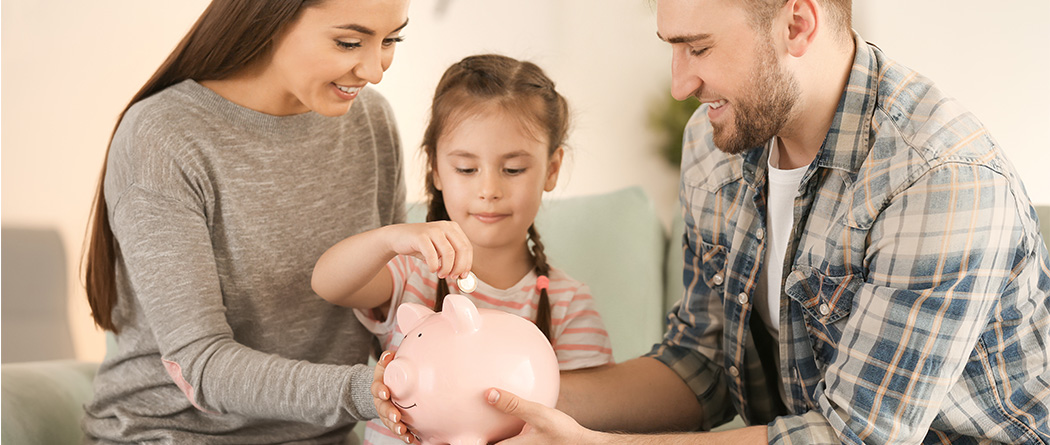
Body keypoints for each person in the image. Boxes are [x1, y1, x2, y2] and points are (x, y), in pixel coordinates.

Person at [372, 0, 1050, 443]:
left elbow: (855, 437)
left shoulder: (940, 179)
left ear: (797, 23)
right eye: (671, 45)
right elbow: (699, 365)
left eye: (697, 48)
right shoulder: (714, 146)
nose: (678, 82)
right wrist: (498, 395)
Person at [80, 0, 411, 442]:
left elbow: (386, 313)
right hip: (174, 434)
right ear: (271, 16)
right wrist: (367, 391)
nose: (374, 70)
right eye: (348, 42)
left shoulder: (371, 122)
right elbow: (202, 366)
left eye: (391, 40)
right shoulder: (164, 137)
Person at [312, 53, 615, 445]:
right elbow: (327, 283)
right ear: (436, 168)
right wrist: (390, 239)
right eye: (467, 169)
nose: (489, 189)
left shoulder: (568, 303)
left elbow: (581, 422)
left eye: (513, 169)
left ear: (552, 169)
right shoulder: (410, 273)